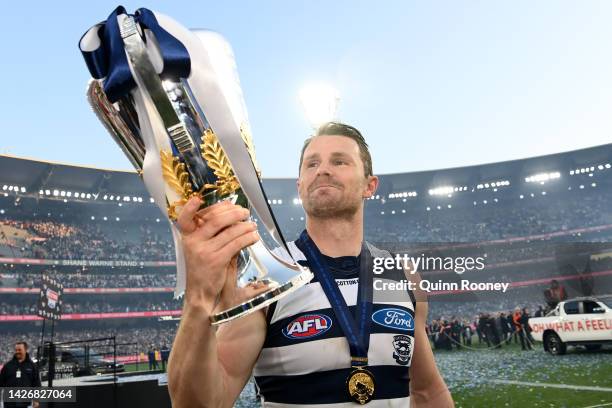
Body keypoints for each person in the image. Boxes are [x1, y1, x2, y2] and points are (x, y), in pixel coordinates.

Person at [168, 122, 454, 407]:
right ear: (300, 186)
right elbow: (201, 403)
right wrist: (199, 299)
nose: (323, 170)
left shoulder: (403, 275)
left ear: (370, 185)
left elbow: (429, 393)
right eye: (311, 164)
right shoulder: (268, 275)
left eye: (339, 161)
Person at [0, 341, 41, 408]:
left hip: (25, 403)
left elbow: (36, 384)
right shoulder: (8, 366)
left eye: (19, 350)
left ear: (25, 350)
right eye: (16, 350)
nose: (17, 352)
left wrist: (36, 400)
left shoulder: (32, 366)